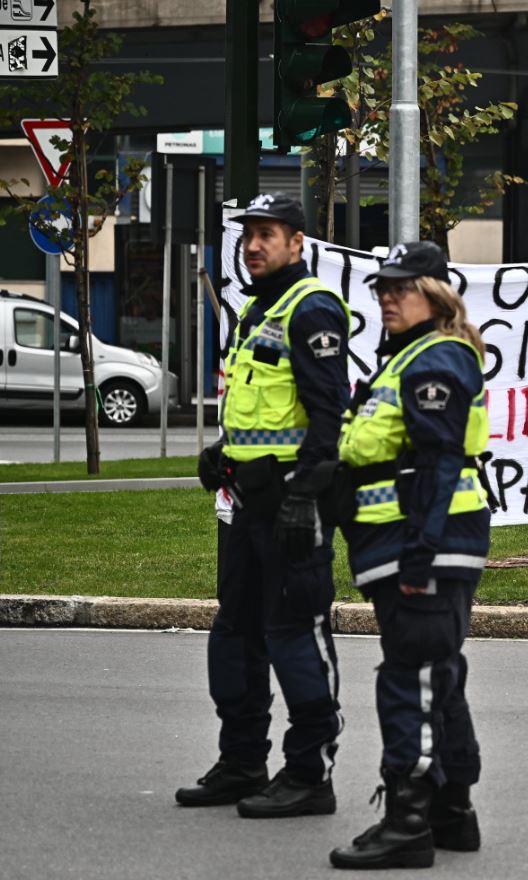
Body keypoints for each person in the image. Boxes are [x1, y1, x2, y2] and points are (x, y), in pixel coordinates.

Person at [179, 192, 351, 817]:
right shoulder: (255, 310)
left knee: (294, 634)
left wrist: (306, 497)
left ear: (297, 243)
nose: (253, 245)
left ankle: (310, 774)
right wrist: (222, 452)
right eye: (248, 234)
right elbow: (261, 408)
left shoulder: (311, 310)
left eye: (268, 234)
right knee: (235, 631)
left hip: (291, 504)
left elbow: (330, 417)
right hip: (245, 501)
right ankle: (243, 761)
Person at [329, 241, 492, 870]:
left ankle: (407, 821)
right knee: (437, 674)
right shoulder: (408, 358)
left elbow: (440, 460)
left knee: (411, 678)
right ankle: (453, 813)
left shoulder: (433, 359)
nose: (387, 297)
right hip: (415, 543)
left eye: (401, 287)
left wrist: (421, 555)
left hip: (424, 545)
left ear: (438, 293)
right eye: (381, 288)